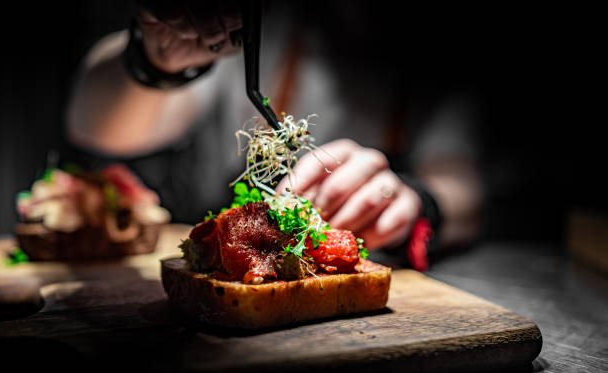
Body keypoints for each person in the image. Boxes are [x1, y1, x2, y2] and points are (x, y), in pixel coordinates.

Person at [65, 1, 483, 258]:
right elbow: (97, 127)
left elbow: (464, 188)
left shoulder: (439, 51)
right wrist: (158, 58)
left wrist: (415, 201)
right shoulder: (252, 21)